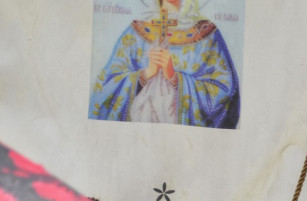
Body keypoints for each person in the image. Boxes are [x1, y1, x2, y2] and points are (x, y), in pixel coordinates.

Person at [89, 0, 241, 129]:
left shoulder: (208, 35)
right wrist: (145, 75)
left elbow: (226, 91)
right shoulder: (134, 33)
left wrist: (175, 78)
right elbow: (103, 89)